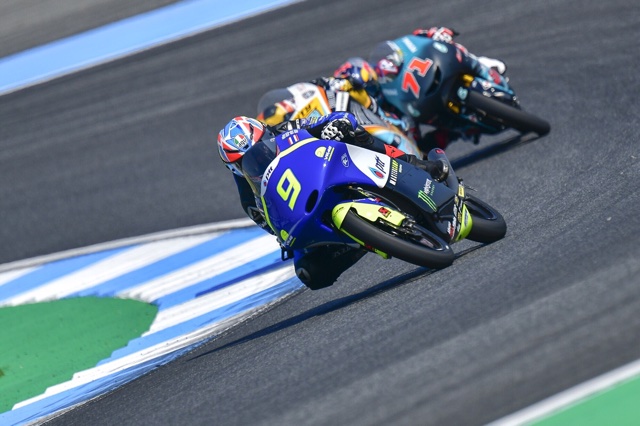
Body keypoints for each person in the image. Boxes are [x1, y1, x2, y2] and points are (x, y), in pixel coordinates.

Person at [217, 111, 449, 290]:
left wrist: (337, 125)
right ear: (234, 169)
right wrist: (285, 237)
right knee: (310, 273)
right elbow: (275, 227)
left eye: (262, 147)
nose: (261, 158)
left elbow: (333, 118)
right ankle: (366, 239)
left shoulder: (287, 129)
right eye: (247, 161)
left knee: (354, 134)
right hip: (309, 214)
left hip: (334, 171)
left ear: (267, 133)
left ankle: (416, 165)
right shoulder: (249, 198)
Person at [365, 26, 508, 151]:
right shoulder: (384, 95)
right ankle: (459, 132)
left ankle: (483, 66)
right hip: (422, 105)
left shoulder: (407, 44)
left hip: (433, 69)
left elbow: (423, 34)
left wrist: (438, 33)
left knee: (453, 48)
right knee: (423, 145)